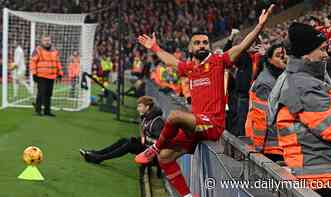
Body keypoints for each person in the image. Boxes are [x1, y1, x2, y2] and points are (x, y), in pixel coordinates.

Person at [134, 5, 274, 197]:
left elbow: (242, 46)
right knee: (165, 158)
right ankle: (188, 195)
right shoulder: (190, 68)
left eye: (205, 42)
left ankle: (155, 146)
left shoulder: (218, 61)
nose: (202, 45)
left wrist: (259, 26)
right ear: (191, 48)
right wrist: (155, 47)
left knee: (174, 116)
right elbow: (170, 61)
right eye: (198, 43)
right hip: (196, 126)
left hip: (212, 125)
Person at [268, 23, 331, 196]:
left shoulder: (299, 80)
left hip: (321, 174)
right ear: (306, 54)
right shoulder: (304, 86)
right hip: (325, 178)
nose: (325, 55)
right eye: (321, 49)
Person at [79, 96, 163, 164]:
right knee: (124, 140)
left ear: (147, 107)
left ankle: (99, 158)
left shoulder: (157, 121)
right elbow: (145, 135)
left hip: (152, 155)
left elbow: (160, 143)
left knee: (129, 145)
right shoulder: (146, 117)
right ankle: (97, 153)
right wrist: (139, 139)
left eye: (140, 106)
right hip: (146, 147)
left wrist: (143, 142)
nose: (138, 109)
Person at [245, 44, 286, 162]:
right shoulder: (265, 83)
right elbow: (260, 117)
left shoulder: (280, 77)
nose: (283, 58)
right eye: (278, 56)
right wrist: (257, 149)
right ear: (269, 59)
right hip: (270, 146)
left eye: (284, 55)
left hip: (280, 144)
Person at [30, 35, 63, 116]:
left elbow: (58, 62)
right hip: (41, 76)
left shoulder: (55, 51)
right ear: (42, 41)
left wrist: (60, 73)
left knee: (49, 94)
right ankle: (38, 111)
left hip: (51, 76)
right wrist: (34, 74)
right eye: (45, 40)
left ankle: (47, 111)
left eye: (48, 40)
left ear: (51, 41)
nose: (47, 42)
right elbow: (32, 62)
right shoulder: (37, 50)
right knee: (41, 93)